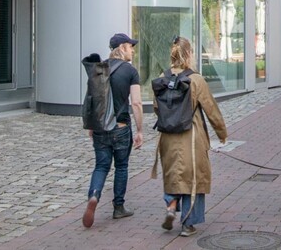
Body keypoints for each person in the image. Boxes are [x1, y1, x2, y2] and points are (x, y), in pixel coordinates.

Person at [154, 36, 227, 238]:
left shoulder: (163, 77)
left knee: (173, 174)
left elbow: (156, 106)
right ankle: (188, 224)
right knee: (193, 177)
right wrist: (222, 133)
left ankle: (171, 204)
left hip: (168, 137)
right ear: (188, 54)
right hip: (191, 135)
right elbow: (211, 109)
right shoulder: (195, 79)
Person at [82, 33, 143, 228]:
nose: (133, 50)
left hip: (100, 126)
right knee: (122, 166)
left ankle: (94, 196)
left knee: (101, 166)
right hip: (121, 127)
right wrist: (140, 129)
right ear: (122, 47)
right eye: (131, 46)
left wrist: (91, 125)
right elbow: (136, 102)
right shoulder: (130, 71)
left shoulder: (99, 69)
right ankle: (118, 207)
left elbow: (92, 98)